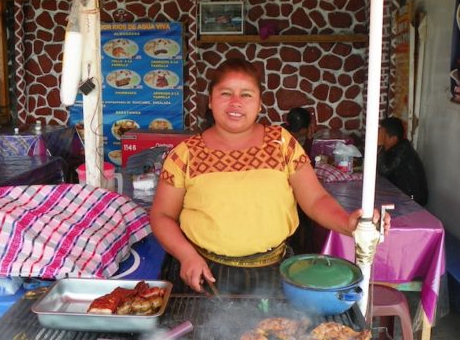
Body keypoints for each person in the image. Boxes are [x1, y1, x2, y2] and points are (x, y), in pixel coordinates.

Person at [150, 58, 389, 293]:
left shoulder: (282, 143)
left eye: (246, 95)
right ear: (210, 100)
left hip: (274, 273)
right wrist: (186, 255)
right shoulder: (185, 154)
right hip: (204, 274)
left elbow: (316, 201)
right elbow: (161, 215)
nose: (236, 103)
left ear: (260, 103)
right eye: (225, 94)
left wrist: (347, 224)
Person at [377, 117, 428, 206]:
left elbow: (383, 170)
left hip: (413, 198)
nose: (378, 134)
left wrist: (379, 144)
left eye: (382, 133)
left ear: (393, 138)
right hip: (399, 192)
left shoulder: (402, 150)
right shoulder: (394, 147)